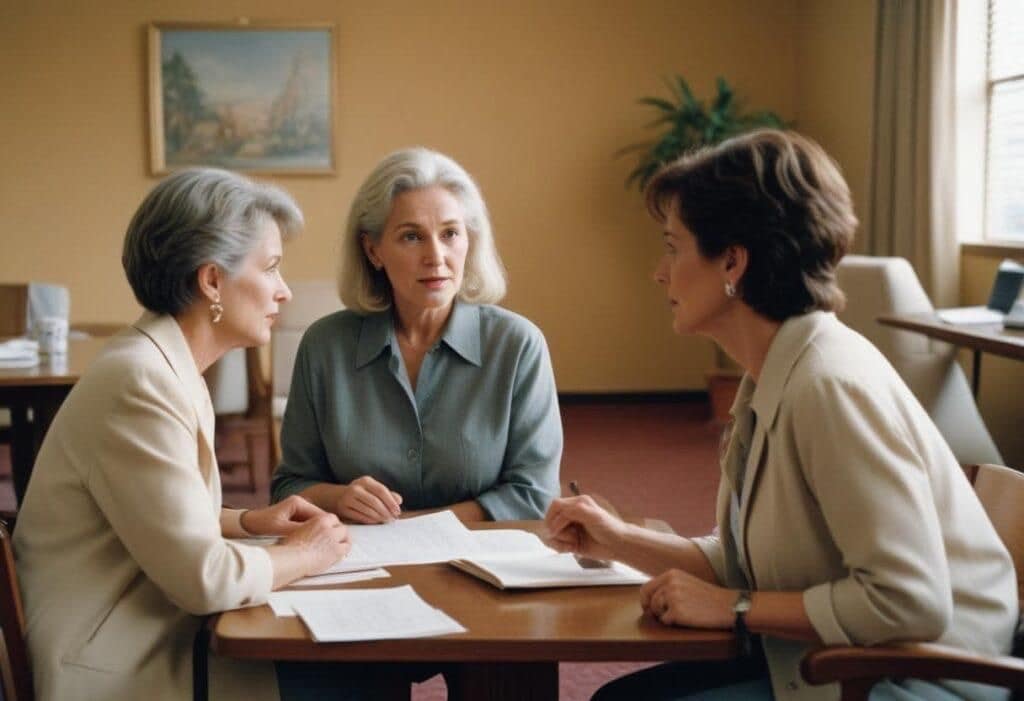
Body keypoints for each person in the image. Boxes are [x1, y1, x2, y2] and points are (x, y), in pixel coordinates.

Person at [545, 130, 1017, 701]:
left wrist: (735, 609)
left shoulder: (828, 387)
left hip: (915, 682)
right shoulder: (776, 369)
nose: (659, 272)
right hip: (842, 661)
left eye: (673, 247)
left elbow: (907, 601)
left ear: (733, 262)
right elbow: (745, 559)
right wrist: (618, 541)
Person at [13, 168, 353, 701]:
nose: (284, 292)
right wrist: (306, 555)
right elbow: (203, 580)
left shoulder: (161, 362)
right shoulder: (141, 381)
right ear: (211, 280)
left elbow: (153, 513)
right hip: (111, 658)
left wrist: (248, 520)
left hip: (145, 623)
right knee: (360, 669)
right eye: (271, 268)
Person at [271, 147, 562, 524]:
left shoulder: (519, 345)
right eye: (412, 237)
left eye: (450, 234)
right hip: (359, 563)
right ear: (373, 249)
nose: (436, 256)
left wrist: (417, 528)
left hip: (484, 561)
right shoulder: (324, 346)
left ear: (469, 240)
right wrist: (338, 497)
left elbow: (534, 493)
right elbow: (288, 486)